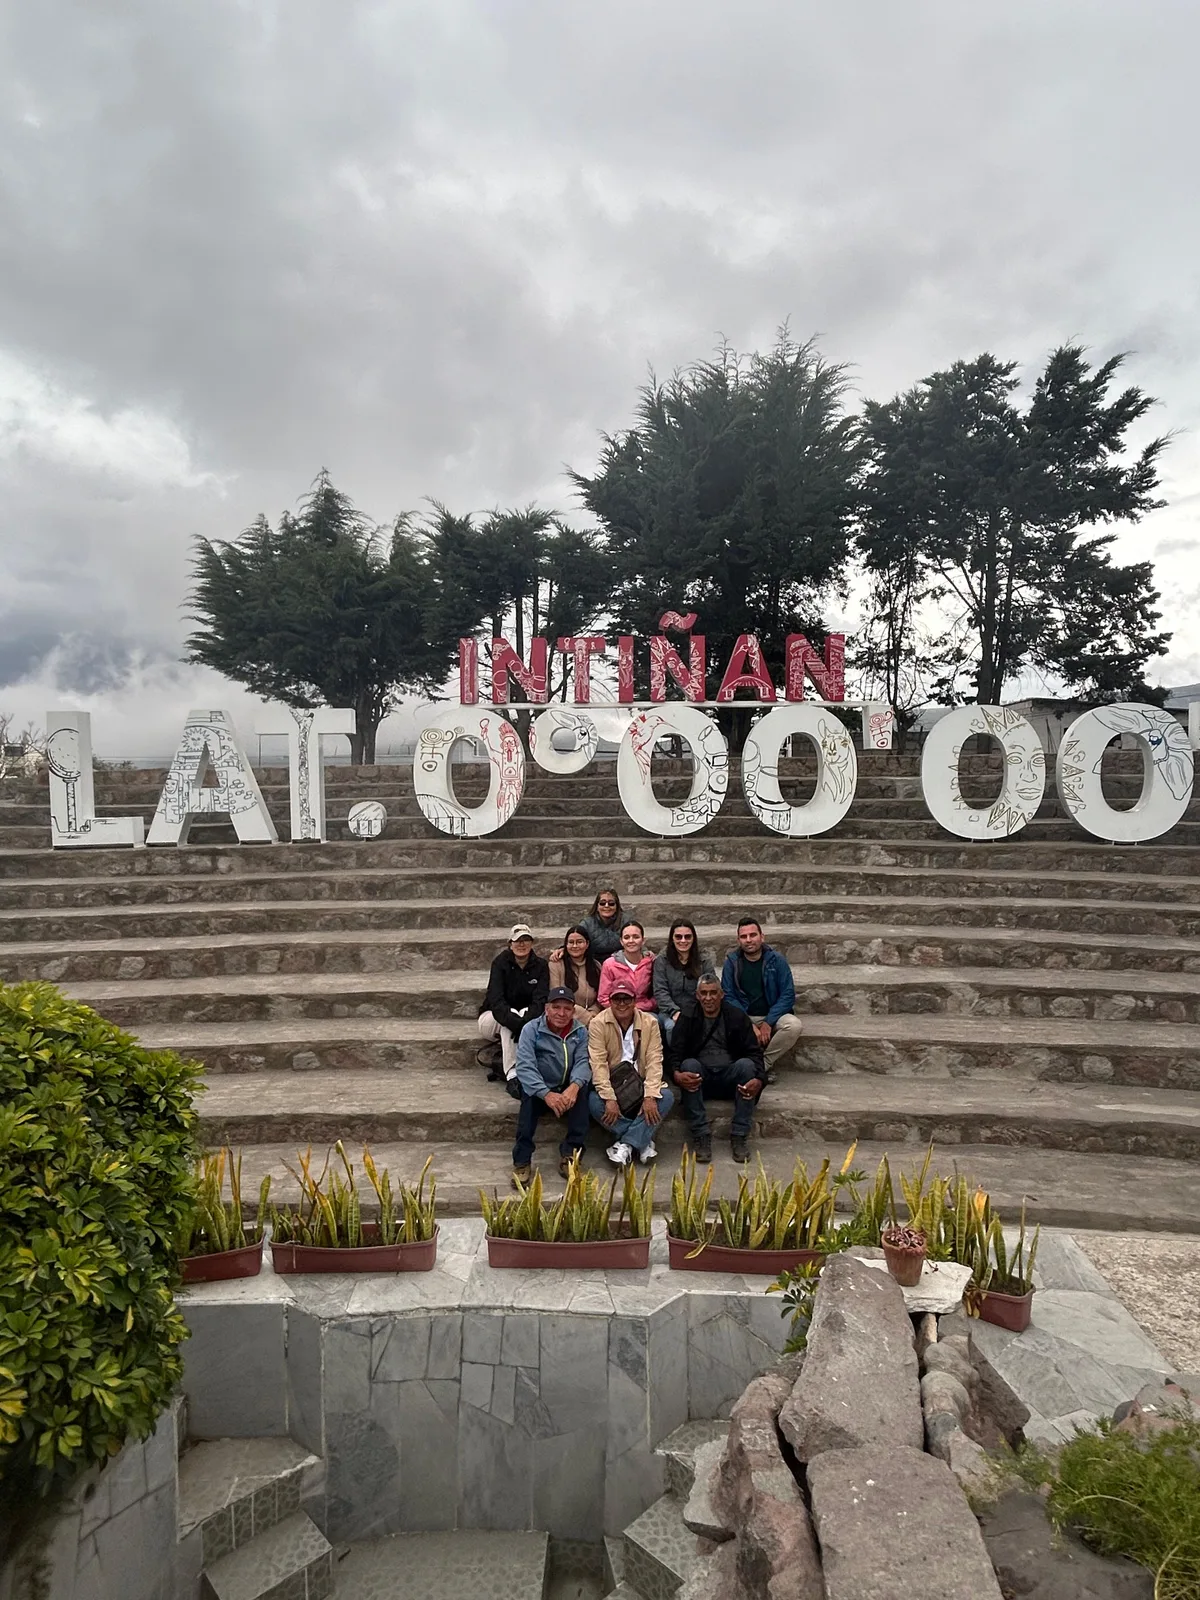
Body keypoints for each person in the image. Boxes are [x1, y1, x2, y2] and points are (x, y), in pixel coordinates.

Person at [668, 970, 764, 1164]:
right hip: (700, 1078)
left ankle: (739, 1135)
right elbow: (674, 1053)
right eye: (704, 993)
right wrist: (676, 1075)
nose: (708, 998)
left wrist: (760, 1080)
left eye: (713, 993)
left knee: (747, 1066)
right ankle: (701, 1135)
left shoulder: (736, 1016)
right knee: (688, 1065)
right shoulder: (687, 1016)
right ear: (697, 995)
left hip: (729, 1076)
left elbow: (754, 1052)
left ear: (721, 995)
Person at [511, 987, 592, 1185]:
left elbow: (584, 1061)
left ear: (573, 1011)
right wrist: (545, 1093)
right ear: (547, 1008)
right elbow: (525, 1066)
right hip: (540, 1086)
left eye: (567, 1008)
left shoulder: (580, 1031)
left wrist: (574, 1086)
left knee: (583, 1094)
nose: (561, 1013)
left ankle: (571, 1154)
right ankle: (522, 1160)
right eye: (556, 1007)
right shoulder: (531, 1029)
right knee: (528, 1101)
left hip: (566, 1086)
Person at [588, 982, 673, 1166]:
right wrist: (609, 1098)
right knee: (594, 1102)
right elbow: (598, 1064)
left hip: (640, 1082)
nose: (621, 1003)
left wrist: (649, 1096)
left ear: (635, 1001)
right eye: (616, 999)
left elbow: (654, 1060)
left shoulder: (650, 1022)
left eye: (626, 998)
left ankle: (625, 1145)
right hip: (615, 1083)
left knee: (666, 1097)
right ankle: (641, 1142)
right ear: (609, 1001)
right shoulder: (598, 1023)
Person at [720, 917, 802, 1081]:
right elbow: (728, 996)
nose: (749, 940)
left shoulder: (777, 960)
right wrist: (748, 1023)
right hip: (744, 1016)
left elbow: (787, 995)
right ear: (738, 940)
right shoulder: (732, 962)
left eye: (753, 935)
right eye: (744, 937)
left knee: (793, 1025)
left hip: (772, 1015)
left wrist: (768, 1023)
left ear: (762, 937)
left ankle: (762, 1065)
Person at [478, 922, 550, 1095]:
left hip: (527, 1017)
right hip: (492, 1018)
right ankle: (512, 1075)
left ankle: (517, 1074)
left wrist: (522, 1022)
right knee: (507, 1023)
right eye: (517, 941)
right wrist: (516, 1023)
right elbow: (495, 1000)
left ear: (532, 943)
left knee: (513, 1023)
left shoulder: (541, 966)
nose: (522, 944)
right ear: (510, 943)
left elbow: (540, 1000)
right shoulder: (499, 963)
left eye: (526, 940)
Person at [652, 919, 705, 1041]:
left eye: (687, 937)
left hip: (697, 1011)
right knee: (673, 1027)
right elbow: (660, 991)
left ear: (693, 938)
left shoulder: (703, 959)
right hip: (669, 1012)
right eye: (678, 937)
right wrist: (674, 1012)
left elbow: (709, 986)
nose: (683, 941)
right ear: (672, 939)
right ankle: (676, 1059)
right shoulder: (662, 960)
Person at [548, 924, 602, 1024]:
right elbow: (556, 997)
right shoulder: (556, 965)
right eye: (571, 942)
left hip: (593, 1019)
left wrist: (593, 1013)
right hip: (564, 1018)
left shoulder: (596, 966)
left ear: (587, 944)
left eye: (579, 942)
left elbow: (600, 997)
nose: (575, 946)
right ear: (566, 945)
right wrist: (586, 1016)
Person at [598, 921, 656, 1011]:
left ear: (643, 940)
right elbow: (603, 997)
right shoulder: (610, 964)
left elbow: (658, 994)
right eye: (626, 937)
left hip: (644, 1011)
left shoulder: (651, 962)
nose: (631, 941)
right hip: (617, 1012)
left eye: (636, 937)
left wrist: (645, 1006)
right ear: (621, 941)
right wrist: (623, 1009)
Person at [579, 887, 637, 959]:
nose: (606, 906)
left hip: (621, 962)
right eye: (602, 903)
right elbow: (576, 938)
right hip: (594, 963)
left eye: (611, 903)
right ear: (597, 906)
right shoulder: (587, 923)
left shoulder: (626, 921)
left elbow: (636, 940)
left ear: (617, 906)